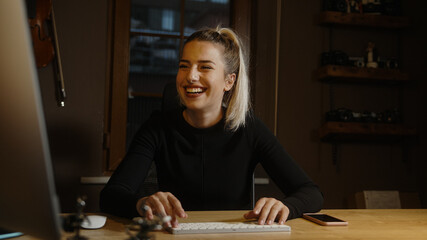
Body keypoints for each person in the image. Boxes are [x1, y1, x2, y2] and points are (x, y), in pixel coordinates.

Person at [100, 27, 323, 227]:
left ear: (229, 81)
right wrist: (142, 203)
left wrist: (286, 207)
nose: (191, 76)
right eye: (183, 66)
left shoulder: (249, 128)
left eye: (205, 67)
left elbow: (311, 193)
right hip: (175, 235)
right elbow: (111, 196)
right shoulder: (157, 127)